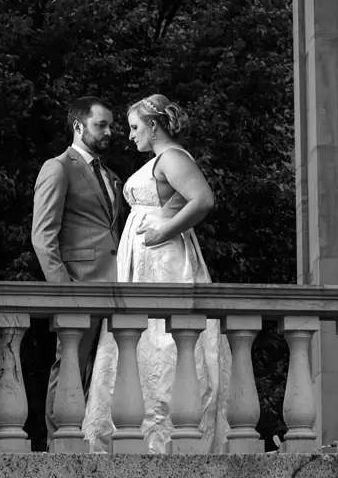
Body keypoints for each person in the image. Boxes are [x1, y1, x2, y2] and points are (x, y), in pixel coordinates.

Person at [82, 94, 231, 454]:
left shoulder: (173, 158)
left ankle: (161, 437)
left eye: (134, 127)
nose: (129, 136)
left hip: (164, 263)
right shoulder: (161, 160)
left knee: (163, 342)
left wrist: (164, 231)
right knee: (142, 342)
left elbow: (203, 199)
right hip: (146, 263)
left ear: (153, 125)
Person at [31, 96, 127, 446]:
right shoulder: (58, 167)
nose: (109, 132)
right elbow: (43, 238)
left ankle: (97, 443)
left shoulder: (111, 176)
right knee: (70, 366)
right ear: (78, 126)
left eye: (111, 125)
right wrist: (64, 292)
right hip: (79, 288)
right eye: (101, 125)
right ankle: (61, 445)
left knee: (106, 373)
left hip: (117, 289)